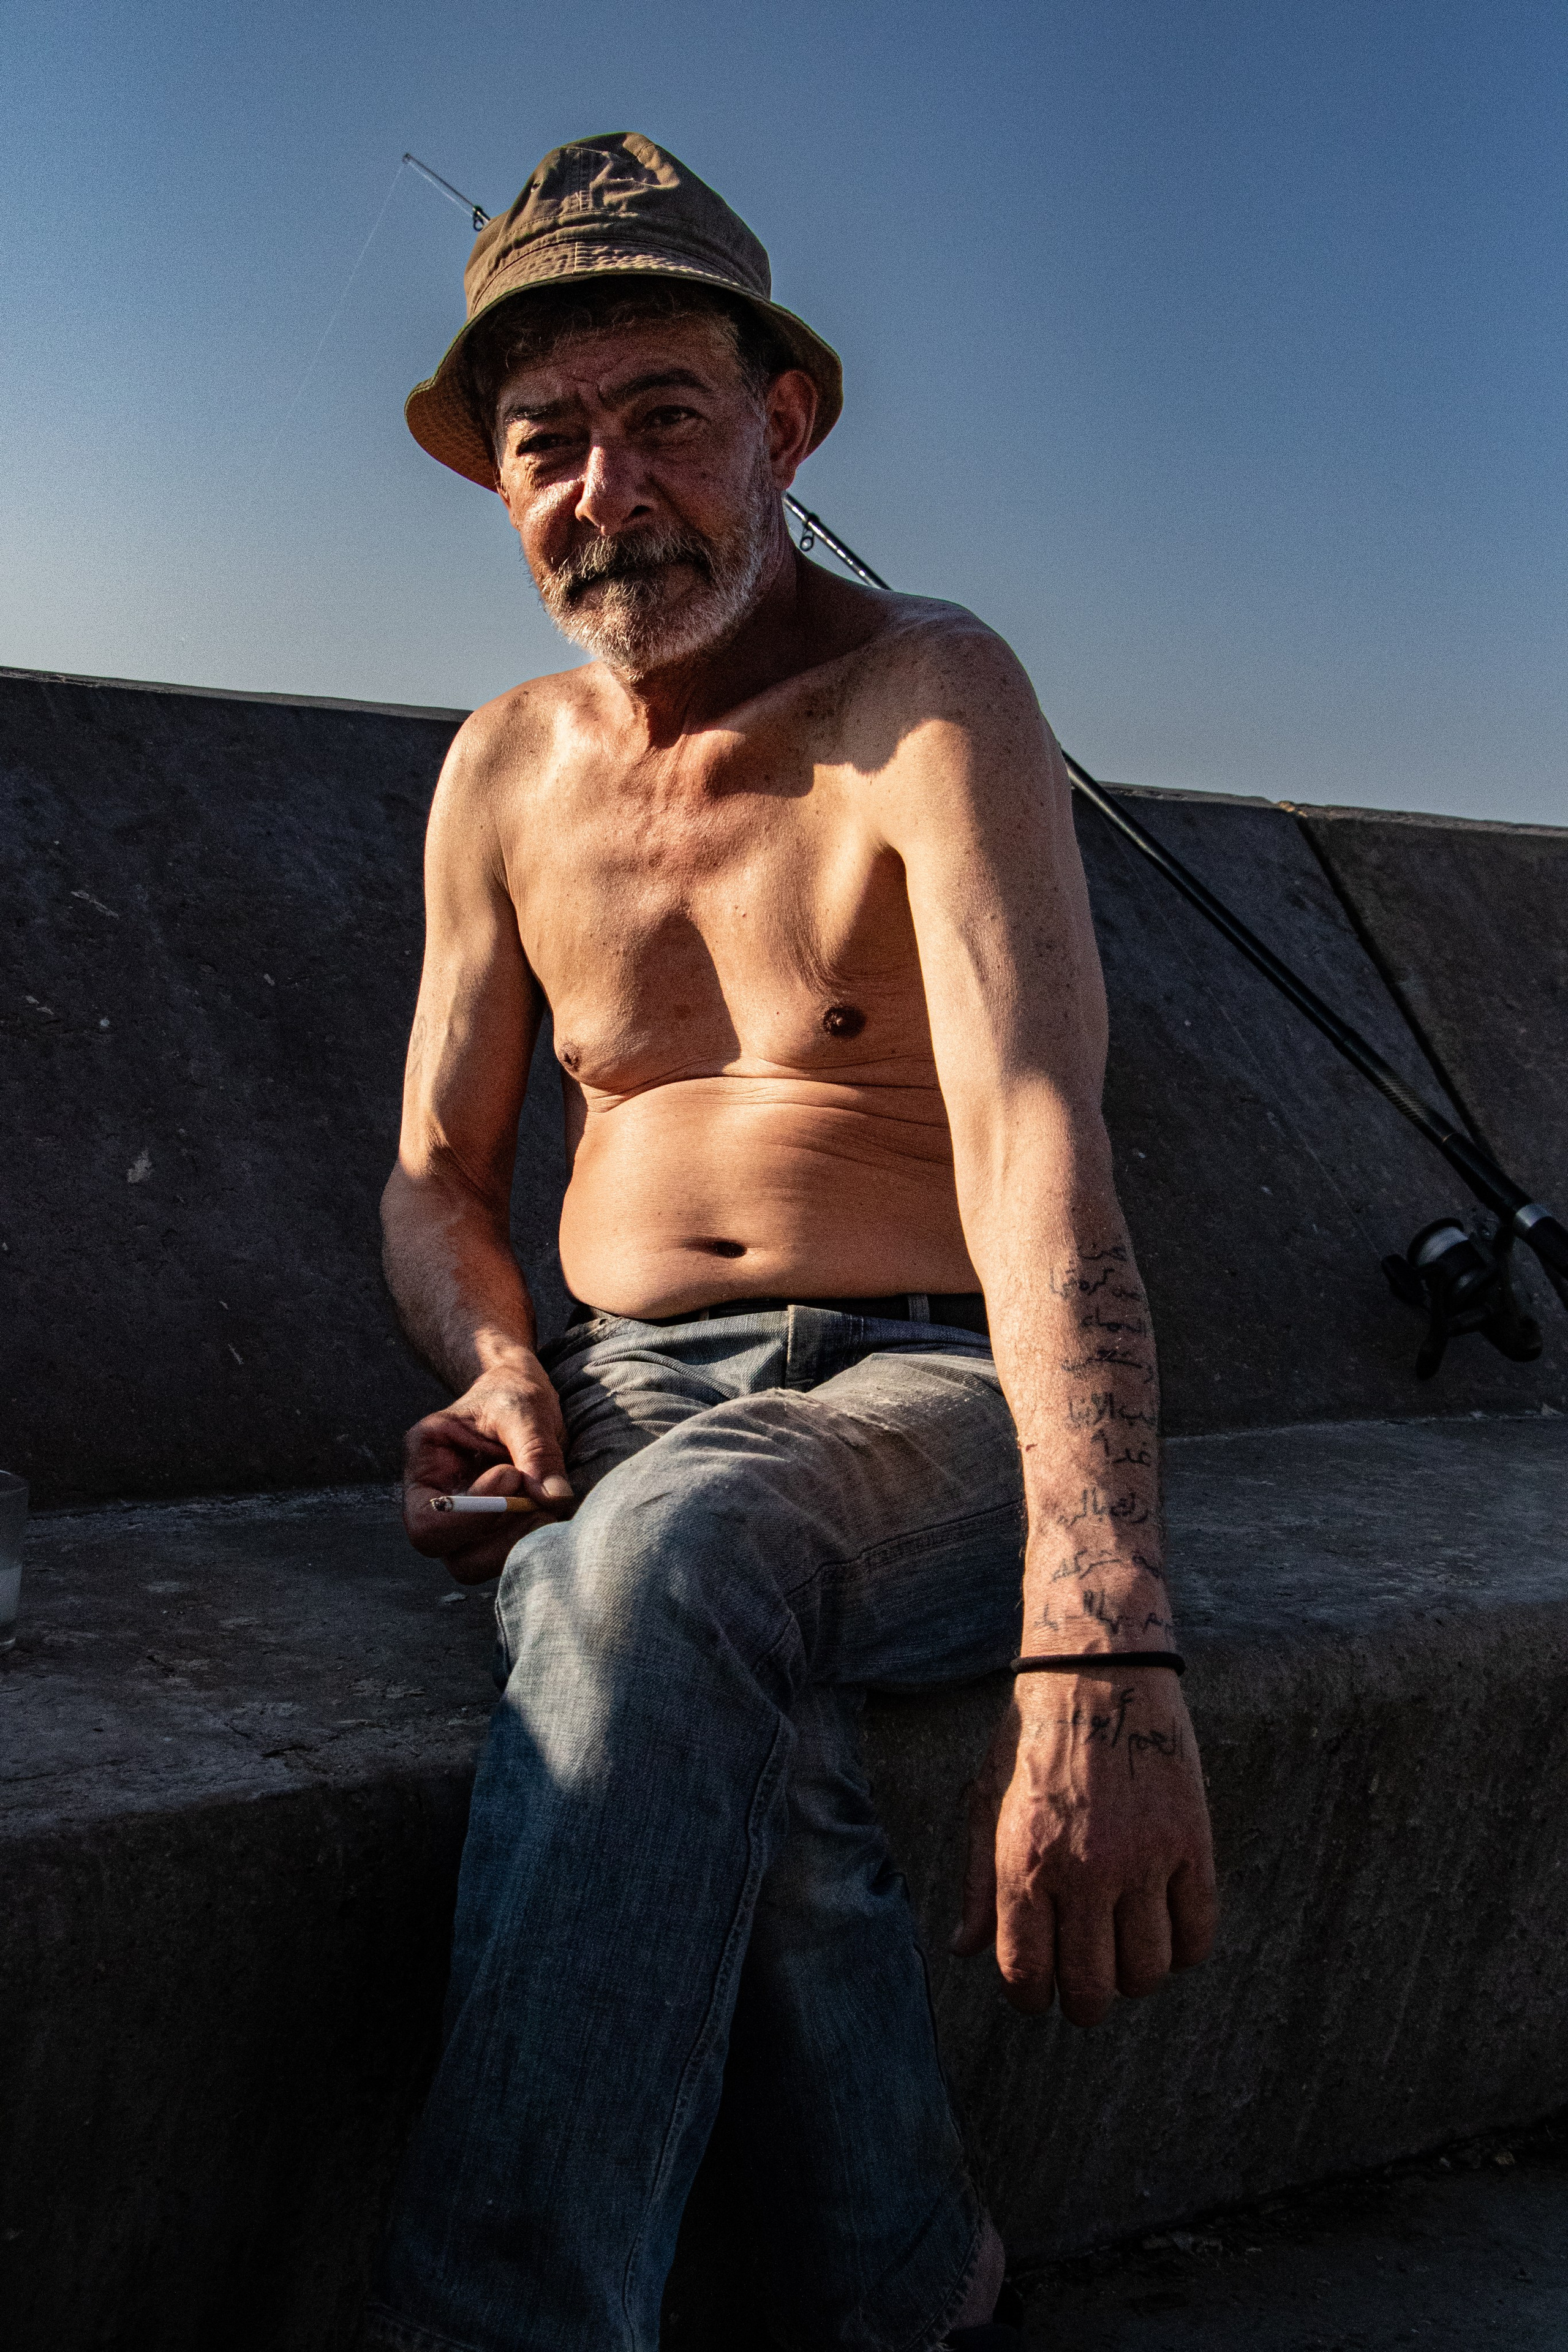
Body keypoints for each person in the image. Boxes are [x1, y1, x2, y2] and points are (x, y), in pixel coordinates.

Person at [366, 132, 1216, 2352]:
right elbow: (437, 1175)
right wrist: (495, 1369)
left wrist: (1105, 1637)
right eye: (549, 442)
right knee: (686, 1639)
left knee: (656, 1565)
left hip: (940, 1391)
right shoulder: (500, 774)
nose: (608, 488)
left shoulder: (929, 698)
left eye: (666, 416)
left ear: (785, 426)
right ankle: (902, 2278)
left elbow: (1040, 1130)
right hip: (632, 1391)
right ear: (497, 482)